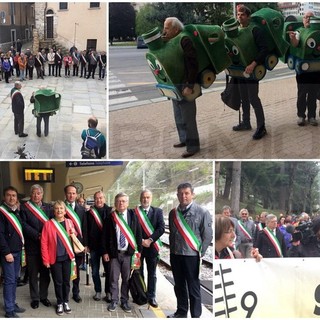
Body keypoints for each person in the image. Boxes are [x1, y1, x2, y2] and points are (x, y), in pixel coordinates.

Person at [167, 183, 212, 318]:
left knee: (193, 287)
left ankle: (195, 315)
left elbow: (207, 235)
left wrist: (200, 253)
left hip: (191, 256)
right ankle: (181, 311)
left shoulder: (202, 212)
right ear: (177, 195)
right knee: (179, 285)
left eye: (186, 193)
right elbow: (172, 234)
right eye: (180, 193)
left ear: (192, 194)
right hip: (176, 255)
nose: (183, 196)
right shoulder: (173, 213)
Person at [162, 17, 200, 158]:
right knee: (178, 115)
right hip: (175, 84)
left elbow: (192, 64)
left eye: (167, 28)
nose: (164, 30)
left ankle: (193, 146)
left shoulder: (184, 40)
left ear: (176, 29)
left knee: (188, 117)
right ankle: (184, 139)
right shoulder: (170, 41)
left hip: (185, 84)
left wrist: (189, 85)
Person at [232, 5, 268, 140]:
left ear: (248, 16)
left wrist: (253, 64)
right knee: (244, 98)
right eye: (238, 14)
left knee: (253, 98)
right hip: (240, 70)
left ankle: (262, 127)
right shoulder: (237, 31)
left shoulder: (255, 30)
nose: (239, 17)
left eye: (242, 14)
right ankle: (246, 123)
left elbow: (264, 49)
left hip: (252, 70)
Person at [102, 192, 142, 313]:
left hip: (129, 254)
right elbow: (104, 236)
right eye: (119, 201)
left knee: (126, 279)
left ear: (127, 203)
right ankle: (114, 300)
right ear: (115, 203)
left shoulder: (133, 216)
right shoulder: (110, 217)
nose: (121, 203)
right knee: (113, 279)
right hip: (114, 254)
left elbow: (138, 235)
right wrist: (105, 252)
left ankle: (124, 300)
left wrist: (138, 253)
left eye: (123, 201)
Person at [41, 200, 76, 316]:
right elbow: (44, 242)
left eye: (61, 208)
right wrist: (45, 260)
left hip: (67, 257)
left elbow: (74, 237)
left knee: (66, 281)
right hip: (54, 258)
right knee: (58, 282)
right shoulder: (48, 224)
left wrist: (73, 233)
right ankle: (60, 302)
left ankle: (66, 301)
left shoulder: (69, 222)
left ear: (65, 211)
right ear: (53, 211)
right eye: (57, 208)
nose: (59, 210)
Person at [20, 184, 53, 309]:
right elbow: (23, 224)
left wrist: (45, 237)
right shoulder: (25, 208)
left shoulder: (48, 207)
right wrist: (37, 235)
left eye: (38, 193)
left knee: (45, 273)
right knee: (33, 274)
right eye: (33, 193)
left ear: (42, 194)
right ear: (30, 194)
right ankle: (35, 298)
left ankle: (43, 296)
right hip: (32, 245)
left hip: (46, 248)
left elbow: (52, 223)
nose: (36, 195)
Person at [288, 11, 320, 126]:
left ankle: (312, 116)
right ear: (302, 19)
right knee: (302, 93)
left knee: (313, 93)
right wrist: (292, 38)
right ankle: (301, 115)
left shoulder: (318, 32)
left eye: (310, 17)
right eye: (306, 17)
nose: (307, 19)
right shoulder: (299, 31)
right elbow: (296, 43)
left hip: (316, 69)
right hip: (302, 70)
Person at [135, 190, 165, 308]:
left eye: (148, 197)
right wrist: (141, 240)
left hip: (152, 248)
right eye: (143, 197)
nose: (145, 199)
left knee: (152, 274)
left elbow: (161, 228)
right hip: (139, 247)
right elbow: (132, 228)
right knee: (139, 272)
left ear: (151, 198)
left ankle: (151, 296)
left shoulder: (158, 211)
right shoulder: (135, 212)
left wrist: (150, 240)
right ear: (140, 198)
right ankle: (141, 294)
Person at [0, 186, 26, 318]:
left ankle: (12, 303)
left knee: (15, 279)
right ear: (4, 197)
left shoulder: (16, 211)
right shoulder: (2, 212)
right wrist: (6, 252)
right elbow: (0, 235)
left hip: (17, 252)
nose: (11, 198)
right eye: (9, 195)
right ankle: (9, 310)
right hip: (8, 254)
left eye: (14, 196)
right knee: (9, 281)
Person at [87, 191, 112, 302]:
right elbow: (86, 230)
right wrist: (86, 244)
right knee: (95, 271)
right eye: (96, 198)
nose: (99, 200)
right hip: (94, 247)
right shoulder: (89, 213)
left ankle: (108, 292)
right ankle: (97, 291)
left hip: (107, 248)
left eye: (101, 198)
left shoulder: (111, 212)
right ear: (94, 199)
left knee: (109, 271)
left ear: (104, 199)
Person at [64, 184, 87, 304]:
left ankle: (76, 293)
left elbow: (85, 228)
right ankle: (65, 294)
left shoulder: (82, 209)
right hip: (64, 245)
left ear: (76, 195)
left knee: (76, 271)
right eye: (69, 193)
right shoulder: (60, 208)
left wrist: (85, 245)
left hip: (78, 246)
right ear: (65, 194)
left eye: (73, 193)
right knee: (66, 271)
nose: (71, 195)